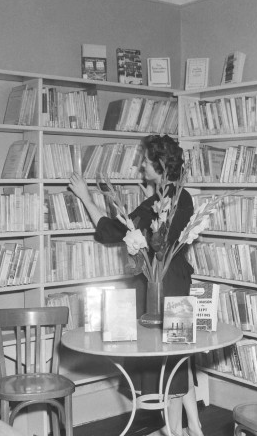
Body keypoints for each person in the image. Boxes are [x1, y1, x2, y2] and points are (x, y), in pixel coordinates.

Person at [68, 134, 203, 436]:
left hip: (161, 283)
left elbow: (113, 231)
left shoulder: (159, 202)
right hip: (177, 281)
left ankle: (176, 431)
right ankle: (192, 428)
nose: (141, 164)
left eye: (146, 159)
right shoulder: (181, 197)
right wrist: (150, 199)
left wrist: (85, 197)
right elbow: (159, 229)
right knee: (178, 357)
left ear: (160, 165)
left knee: (166, 362)